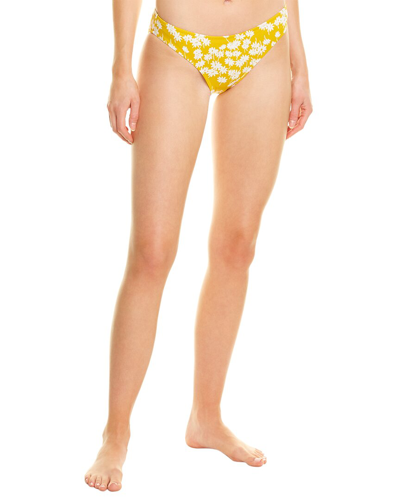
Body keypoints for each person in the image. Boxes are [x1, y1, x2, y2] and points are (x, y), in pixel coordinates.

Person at [85, 0, 312, 491]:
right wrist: (121, 67)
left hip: (264, 42)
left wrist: (300, 62)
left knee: (238, 245)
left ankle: (206, 418)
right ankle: (115, 433)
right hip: (179, 44)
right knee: (152, 251)